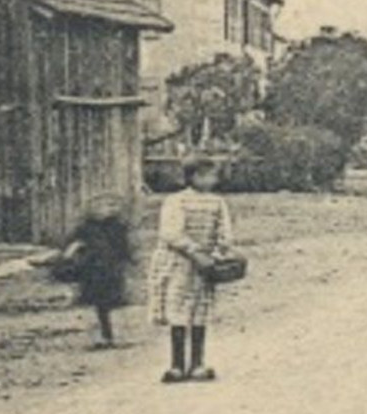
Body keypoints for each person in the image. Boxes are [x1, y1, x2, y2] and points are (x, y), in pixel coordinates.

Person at [149, 157, 235, 384]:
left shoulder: (217, 203)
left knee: (200, 310)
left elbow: (224, 232)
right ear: (191, 177)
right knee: (178, 308)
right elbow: (170, 232)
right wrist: (193, 251)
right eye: (204, 175)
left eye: (213, 175)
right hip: (178, 262)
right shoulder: (176, 201)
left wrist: (218, 253)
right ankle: (177, 365)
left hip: (205, 264)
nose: (210, 180)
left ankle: (197, 364)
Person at [59, 195, 133, 349]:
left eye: (111, 205)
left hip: (111, 269)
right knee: (96, 303)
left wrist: (128, 261)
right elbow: (74, 242)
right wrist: (70, 252)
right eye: (102, 206)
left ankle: (111, 335)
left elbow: (124, 247)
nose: (108, 209)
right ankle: (102, 335)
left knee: (111, 302)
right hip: (92, 270)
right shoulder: (86, 227)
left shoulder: (118, 227)